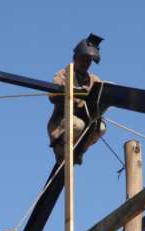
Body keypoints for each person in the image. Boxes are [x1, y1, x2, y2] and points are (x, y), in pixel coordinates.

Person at [47, 33, 106, 165]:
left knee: (100, 128)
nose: (85, 63)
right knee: (77, 125)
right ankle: (62, 152)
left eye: (88, 61)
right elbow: (53, 95)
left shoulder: (93, 80)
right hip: (64, 120)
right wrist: (78, 93)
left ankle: (78, 151)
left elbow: (104, 93)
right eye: (83, 59)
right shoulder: (63, 74)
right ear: (75, 57)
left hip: (86, 120)